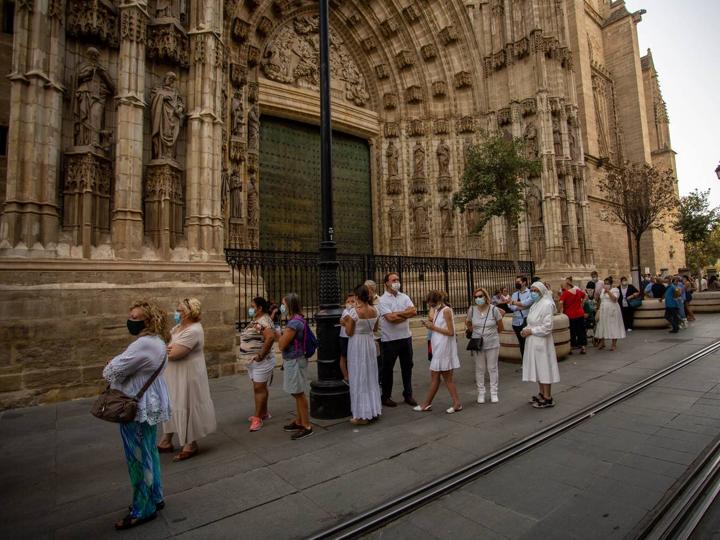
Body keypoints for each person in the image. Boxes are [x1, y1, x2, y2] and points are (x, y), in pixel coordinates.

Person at [103, 300, 171, 530]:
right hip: (148, 403)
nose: (130, 321)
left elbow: (111, 370)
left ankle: (143, 507)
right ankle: (156, 496)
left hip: (137, 406)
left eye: (135, 317)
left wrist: (110, 364)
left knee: (137, 457)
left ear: (148, 321)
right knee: (149, 451)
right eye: (130, 316)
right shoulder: (157, 341)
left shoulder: (142, 344)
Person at [158, 298, 216, 461]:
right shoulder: (178, 327)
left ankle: (190, 443)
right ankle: (166, 440)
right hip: (174, 373)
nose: (177, 313)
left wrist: (164, 349)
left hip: (188, 374)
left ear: (190, 312)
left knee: (185, 403)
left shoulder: (194, 330)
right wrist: (165, 348)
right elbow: (166, 345)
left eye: (181, 311)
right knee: (172, 403)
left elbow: (175, 354)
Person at [415, 290, 462, 413]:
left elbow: (451, 332)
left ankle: (429, 404)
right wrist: (429, 325)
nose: (431, 306)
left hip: (444, 347)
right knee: (439, 377)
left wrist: (433, 327)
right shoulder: (437, 310)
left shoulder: (446, 310)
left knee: (444, 377)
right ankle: (430, 403)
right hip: (438, 346)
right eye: (430, 304)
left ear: (439, 301)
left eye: (432, 304)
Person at [341, 285, 382, 425]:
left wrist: (345, 322)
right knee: (370, 376)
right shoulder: (375, 310)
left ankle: (362, 415)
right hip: (369, 342)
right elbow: (375, 328)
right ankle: (373, 409)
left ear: (357, 297)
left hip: (357, 344)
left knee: (358, 376)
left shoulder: (354, 312)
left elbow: (349, 332)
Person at [277, 293, 314, 439]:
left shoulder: (294, 323)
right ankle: (299, 420)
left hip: (295, 360)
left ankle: (306, 425)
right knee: (296, 391)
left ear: (289, 305)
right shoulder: (298, 320)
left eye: (283, 304)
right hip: (295, 359)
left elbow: (281, 344)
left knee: (298, 393)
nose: (282, 307)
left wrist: (278, 335)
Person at [378, 272, 418, 407]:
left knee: (407, 367)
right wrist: (405, 314)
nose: (397, 282)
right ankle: (386, 396)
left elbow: (413, 311)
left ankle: (408, 394)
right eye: (394, 280)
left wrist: (398, 314)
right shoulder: (382, 300)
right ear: (386, 283)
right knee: (387, 369)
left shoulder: (404, 296)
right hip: (389, 340)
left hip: (406, 338)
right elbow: (390, 319)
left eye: (398, 280)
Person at [238, 297, 276, 432]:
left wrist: (261, 355)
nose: (250, 308)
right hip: (253, 362)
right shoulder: (258, 320)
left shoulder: (263, 320)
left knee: (258, 389)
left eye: (252, 306)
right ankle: (263, 412)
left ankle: (257, 418)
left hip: (261, 361)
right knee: (261, 387)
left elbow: (270, 337)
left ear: (260, 308)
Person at [521, 282, 560, 409]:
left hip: (542, 343)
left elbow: (547, 327)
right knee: (538, 369)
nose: (532, 292)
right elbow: (531, 322)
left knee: (544, 368)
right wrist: (525, 330)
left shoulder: (547, 304)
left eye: (535, 290)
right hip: (533, 342)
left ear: (541, 291)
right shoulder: (535, 304)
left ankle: (548, 397)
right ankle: (542, 393)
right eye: (531, 290)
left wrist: (531, 331)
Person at [465, 287, 504, 403]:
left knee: (492, 368)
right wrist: (474, 331)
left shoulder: (494, 310)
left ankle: (494, 392)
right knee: (480, 368)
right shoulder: (472, 309)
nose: (478, 299)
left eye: (480, 296)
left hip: (492, 342)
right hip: (478, 343)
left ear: (485, 297)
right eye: (476, 297)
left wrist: (490, 334)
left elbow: (500, 327)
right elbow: (468, 322)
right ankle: (481, 392)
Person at [595, 278, 626, 351]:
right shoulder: (602, 290)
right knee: (602, 325)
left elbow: (614, 299)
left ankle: (614, 344)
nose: (606, 285)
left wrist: (608, 291)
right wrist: (598, 309)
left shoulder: (615, 290)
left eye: (607, 283)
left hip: (612, 310)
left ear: (611, 284)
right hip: (603, 310)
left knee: (613, 326)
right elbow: (601, 299)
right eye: (605, 283)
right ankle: (602, 342)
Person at [559, 277, 587, 354]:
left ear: (567, 285)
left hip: (570, 315)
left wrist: (559, 311)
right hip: (580, 313)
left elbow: (560, 303)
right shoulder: (578, 291)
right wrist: (582, 303)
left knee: (572, 331)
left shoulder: (565, 293)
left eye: (564, 284)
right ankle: (583, 347)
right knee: (581, 330)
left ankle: (571, 347)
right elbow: (585, 296)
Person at [508, 276, 534, 357]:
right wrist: (520, 306)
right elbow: (510, 306)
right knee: (521, 342)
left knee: (528, 342)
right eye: (516, 282)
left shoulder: (530, 292)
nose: (517, 283)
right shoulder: (515, 294)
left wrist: (514, 303)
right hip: (516, 322)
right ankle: (524, 362)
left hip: (526, 321)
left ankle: (530, 361)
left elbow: (527, 303)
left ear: (524, 282)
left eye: (518, 281)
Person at [339, 291, 356, 385]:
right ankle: (346, 376)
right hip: (344, 337)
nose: (350, 303)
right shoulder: (346, 312)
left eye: (352, 301)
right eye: (348, 301)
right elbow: (350, 322)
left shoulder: (354, 312)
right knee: (344, 356)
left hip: (351, 336)